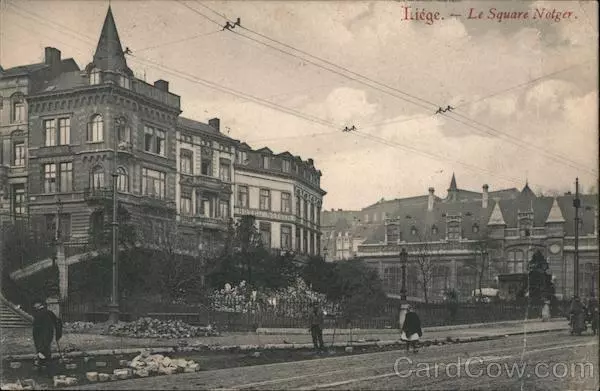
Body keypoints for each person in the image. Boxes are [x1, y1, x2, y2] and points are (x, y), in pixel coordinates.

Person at [32, 300, 62, 374]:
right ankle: (48, 369)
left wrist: (36, 339)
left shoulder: (37, 314)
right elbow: (58, 322)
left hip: (40, 336)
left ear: (39, 304)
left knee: (41, 351)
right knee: (46, 350)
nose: (34, 306)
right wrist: (58, 334)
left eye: (35, 304)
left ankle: (44, 370)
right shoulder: (49, 312)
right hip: (49, 335)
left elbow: (35, 329)